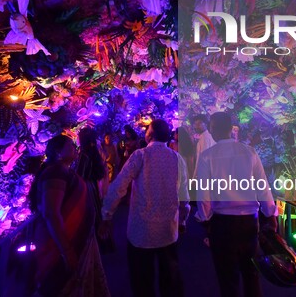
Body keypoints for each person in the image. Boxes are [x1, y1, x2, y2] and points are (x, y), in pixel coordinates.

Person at [99, 119, 190, 297]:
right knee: (170, 281)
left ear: (150, 134)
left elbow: (119, 186)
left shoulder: (140, 156)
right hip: (167, 230)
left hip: (141, 231)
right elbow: (184, 195)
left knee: (142, 282)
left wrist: (107, 215)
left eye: (148, 128)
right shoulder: (177, 158)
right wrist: (183, 220)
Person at [195, 112, 277, 297]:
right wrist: (271, 215)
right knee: (251, 274)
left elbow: (204, 196)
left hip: (222, 224)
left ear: (214, 130)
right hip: (249, 222)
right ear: (230, 129)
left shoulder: (207, 156)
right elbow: (263, 187)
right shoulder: (249, 152)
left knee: (227, 278)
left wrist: (205, 220)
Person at [30, 134, 110, 297]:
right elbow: (51, 213)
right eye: (71, 145)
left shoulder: (63, 171)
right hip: (62, 243)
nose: (75, 148)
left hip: (75, 239)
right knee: (62, 285)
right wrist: (66, 250)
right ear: (58, 152)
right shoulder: (55, 173)